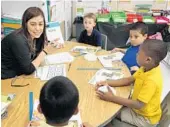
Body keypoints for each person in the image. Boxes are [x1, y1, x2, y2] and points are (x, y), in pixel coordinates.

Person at [96, 39, 168, 127]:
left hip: (144, 118)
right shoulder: (145, 67)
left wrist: (112, 98)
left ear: (148, 60)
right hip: (137, 109)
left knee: (110, 113)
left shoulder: (151, 80)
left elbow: (138, 104)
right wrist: (107, 82)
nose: (136, 54)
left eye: (139, 53)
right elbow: (129, 80)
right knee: (112, 107)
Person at [1, 7, 63, 79]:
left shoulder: (35, 35)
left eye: (40, 24)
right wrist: (45, 51)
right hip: (5, 77)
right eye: (33, 24)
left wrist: (52, 45)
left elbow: (35, 56)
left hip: (19, 73)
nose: (37, 28)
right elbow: (28, 70)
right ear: (25, 24)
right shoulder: (18, 40)